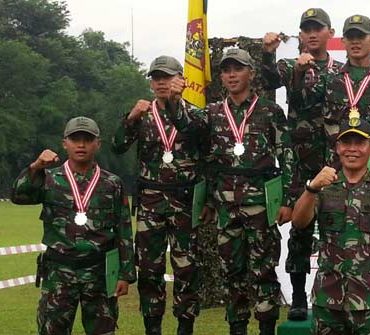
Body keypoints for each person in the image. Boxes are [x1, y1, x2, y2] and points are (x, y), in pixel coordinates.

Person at [187, 48, 294, 335]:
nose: (232, 75)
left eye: (238, 68)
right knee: (232, 273)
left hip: (260, 205)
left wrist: (288, 200)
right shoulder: (211, 113)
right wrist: (208, 199)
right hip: (225, 206)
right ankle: (237, 328)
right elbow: (203, 156)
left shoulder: (270, 111)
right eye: (226, 70)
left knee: (263, 271)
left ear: (251, 73)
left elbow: (287, 156)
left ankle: (267, 329)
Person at [11, 117, 136, 335]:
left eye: (87, 140)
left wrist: (125, 274)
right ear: (64, 143)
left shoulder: (112, 183)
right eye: (75, 139)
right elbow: (19, 196)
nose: (81, 145)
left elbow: (123, 229)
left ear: (98, 143)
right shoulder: (49, 178)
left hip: (99, 273)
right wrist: (35, 167)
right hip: (59, 273)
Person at [291, 117, 370, 335]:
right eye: (346, 143)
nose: (352, 149)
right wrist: (311, 189)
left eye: (359, 143)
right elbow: (299, 222)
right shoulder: (323, 187)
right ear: (337, 148)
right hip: (328, 299)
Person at [260, 8, 342, 320]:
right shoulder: (288, 64)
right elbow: (268, 81)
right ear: (299, 34)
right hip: (301, 165)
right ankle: (296, 296)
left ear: (329, 33)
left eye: (317, 28)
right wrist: (268, 54)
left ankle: (334, 294)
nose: (311, 34)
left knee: (337, 229)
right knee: (300, 231)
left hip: (334, 163)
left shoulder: (340, 71)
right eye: (306, 29)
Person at [111, 55, 202, 335]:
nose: (161, 82)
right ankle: (153, 327)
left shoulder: (195, 113)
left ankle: (185, 326)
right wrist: (129, 119)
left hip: (185, 201)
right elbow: (117, 147)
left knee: (186, 268)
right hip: (151, 201)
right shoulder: (142, 113)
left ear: (181, 80)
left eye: (167, 76)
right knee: (150, 270)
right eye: (156, 77)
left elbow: (205, 146)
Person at [292, 14, 370, 184]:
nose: (355, 42)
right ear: (343, 41)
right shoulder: (329, 78)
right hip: (335, 172)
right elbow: (302, 105)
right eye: (350, 37)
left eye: (361, 36)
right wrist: (298, 73)